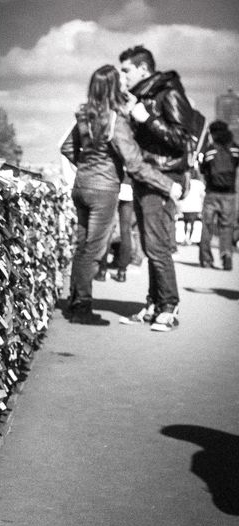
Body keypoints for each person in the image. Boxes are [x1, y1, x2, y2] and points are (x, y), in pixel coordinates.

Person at [61, 64, 181, 325]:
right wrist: (167, 184)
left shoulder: (84, 114)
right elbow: (135, 164)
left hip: (81, 187)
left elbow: (68, 148)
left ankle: (75, 300)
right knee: (95, 249)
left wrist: (87, 165)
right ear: (114, 87)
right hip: (103, 189)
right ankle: (82, 308)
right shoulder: (115, 119)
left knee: (82, 247)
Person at [119, 45, 198, 332]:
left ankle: (169, 307)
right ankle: (154, 304)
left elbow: (183, 139)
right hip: (146, 176)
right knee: (149, 244)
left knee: (157, 245)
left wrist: (148, 119)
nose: (123, 76)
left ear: (143, 69)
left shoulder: (169, 92)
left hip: (164, 176)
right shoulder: (144, 96)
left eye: (126, 70)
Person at [197, 120, 239, 270]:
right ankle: (226, 255)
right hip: (229, 194)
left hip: (211, 193)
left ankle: (206, 259)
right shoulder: (234, 148)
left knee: (207, 226)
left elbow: (202, 169)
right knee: (226, 226)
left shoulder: (210, 149)